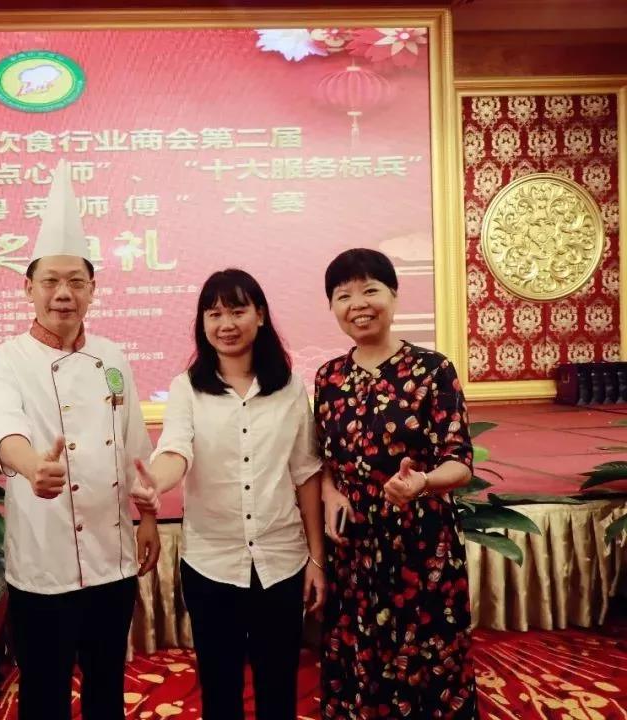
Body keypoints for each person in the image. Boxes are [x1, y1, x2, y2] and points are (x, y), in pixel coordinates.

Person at [0, 160, 160, 720]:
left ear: (92, 289)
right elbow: (5, 430)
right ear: (28, 288)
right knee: (44, 690)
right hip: (44, 557)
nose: (64, 294)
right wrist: (33, 466)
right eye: (51, 282)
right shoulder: (6, 359)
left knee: (107, 685)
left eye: (76, 282)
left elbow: (135, 448)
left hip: (113, 555)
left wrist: (148, 516)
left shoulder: (113, 357)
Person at [130, 268, 326, 719]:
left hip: (281, 559)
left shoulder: (290, 389)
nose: (226, 324)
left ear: (260, 315)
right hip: (212, 564)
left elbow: (305, 473)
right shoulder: (187, 388)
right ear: (202, 323)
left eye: (237, 311)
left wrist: (316, 559)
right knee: (220, 690)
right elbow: (176, 450)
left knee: (278, 687)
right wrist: (154, 481)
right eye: (214, 313)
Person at [315, 248, 478, 718]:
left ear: (393, 295)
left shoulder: (433, 369)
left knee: (427, 655)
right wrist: (329, 491)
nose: (358, 304)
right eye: (343, 295)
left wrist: (422, 482)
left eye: (370, 290)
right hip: (355, 546)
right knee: (359, 651)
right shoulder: (329, 377)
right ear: (332, 307)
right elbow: (323, 458)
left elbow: (459, 461)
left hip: (421, 543)